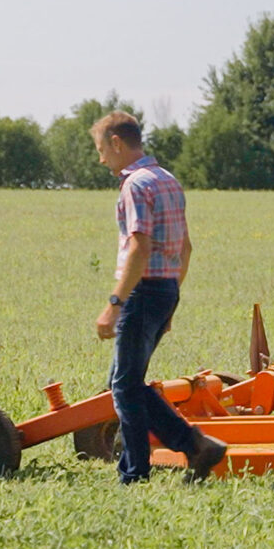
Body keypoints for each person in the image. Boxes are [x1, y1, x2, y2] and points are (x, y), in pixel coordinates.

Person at [93, 112, 228, 483]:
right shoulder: (168, 180)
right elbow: (185, 248)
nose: (101, 158)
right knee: (127, 381)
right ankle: (196, 446)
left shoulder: (135, 185)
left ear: (118, 143)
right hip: (166, 288)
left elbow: (139, 246)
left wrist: (114, 304)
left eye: (102, 149)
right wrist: (171, 300)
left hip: (143, 289)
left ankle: (136, 474)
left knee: (124, 386)